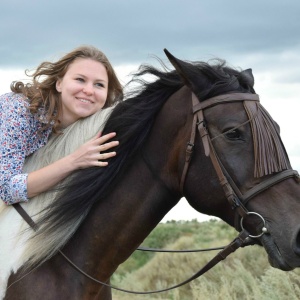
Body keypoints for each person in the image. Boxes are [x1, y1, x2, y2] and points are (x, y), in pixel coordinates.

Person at [0, 45, 123, 205]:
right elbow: (6, 189)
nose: (89, 90)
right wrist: (74, 161)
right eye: (80, 79)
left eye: (99, 84)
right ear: (59, 84)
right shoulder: (18, 109)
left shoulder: (95, 129)